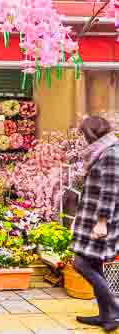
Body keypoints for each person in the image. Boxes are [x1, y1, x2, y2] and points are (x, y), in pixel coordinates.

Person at [73, 116, 119, 332]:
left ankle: (114, 309)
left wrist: (102, 222)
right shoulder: (101, 151)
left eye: (83, 134)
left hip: (100, 221)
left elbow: (111, 192)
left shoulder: (111, 153)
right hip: (91, 218)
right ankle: (107, 317)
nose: (82, 139)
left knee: (81, 264)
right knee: (94, 265)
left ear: (90, 134)